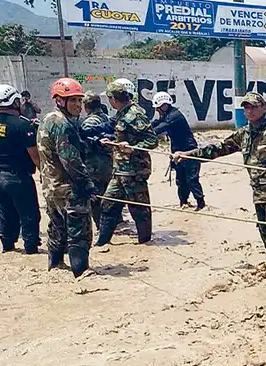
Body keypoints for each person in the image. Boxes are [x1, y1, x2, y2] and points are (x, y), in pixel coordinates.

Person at [175, 92, 266, 273]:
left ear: (263, 108)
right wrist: (188, 155)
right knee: (265, 234)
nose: (249, 111)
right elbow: (219, 149)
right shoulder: (243, 133)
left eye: (253, 107)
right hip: (258, 194)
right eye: (246, 107)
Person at [37, 78, 97, 276]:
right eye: (72, 101)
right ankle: (81, 274)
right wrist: (87, 184)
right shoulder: (64, 125)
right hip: (69, 190)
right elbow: (70, 161)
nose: (78, 105)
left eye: (79, 101)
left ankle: (55, 268)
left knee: (57, 229)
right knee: (79, 233)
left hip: (50, 188)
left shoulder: (47, 120)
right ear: (59, 101)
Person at [96, 78, 158, 246]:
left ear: (113, 99)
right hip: (120, 170)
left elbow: (152, 140)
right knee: (108, 203)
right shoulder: (121, 114)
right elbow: (121, 135)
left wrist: (133, 148)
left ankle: (145, 243)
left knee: (139, 208)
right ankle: (103, 242)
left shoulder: (135, 114)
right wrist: (109, 140)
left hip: (134, 170)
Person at [0, 84, 41, 254]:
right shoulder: (23, 126)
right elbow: (34, 155)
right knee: (29, 213)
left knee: (5, 211)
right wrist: (44, 173)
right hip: (18, 177)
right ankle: (30, 249)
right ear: (14, 102)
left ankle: (7, 246)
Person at [152, 91, 204, 210]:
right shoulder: (166, 115)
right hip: (177, 153)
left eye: (157, 108)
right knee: (181, 180)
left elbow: (158, 129)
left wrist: (143, 133)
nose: (157, 111)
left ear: (164, 106)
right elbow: (155, 124)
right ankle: (184, 202)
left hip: (189, 151)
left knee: (192, 180)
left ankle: (201, 203)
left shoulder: (174, 116)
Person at [80, 92, 114, 229]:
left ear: (86, 106)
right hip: (108, 163)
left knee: (96, 198)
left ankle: (102, 227)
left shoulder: (89, 122)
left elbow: (84, 142)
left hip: (94, 165)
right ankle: (113, 222)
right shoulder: (107, 117)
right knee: (109, 196)